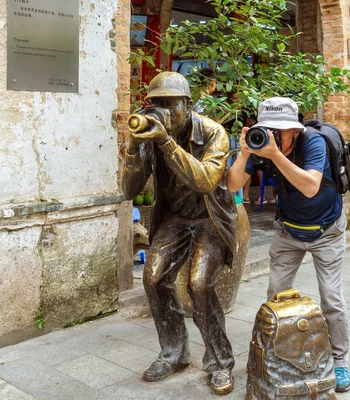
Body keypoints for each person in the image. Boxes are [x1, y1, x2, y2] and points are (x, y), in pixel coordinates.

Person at [121, 72, 238, 395]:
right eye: (155, 104)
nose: (162, 112)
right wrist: (133, 149)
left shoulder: (213, 133)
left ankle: (220, 361)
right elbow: (128, 191)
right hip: (175, 217)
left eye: (169, 104)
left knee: (200, 284)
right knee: (153, 278)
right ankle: (174, 353)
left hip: (209, 218)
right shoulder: (151, 135)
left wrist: (165, 142)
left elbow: (205, 181)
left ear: (187, 105)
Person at [225, 97, 350, 393]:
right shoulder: (261, 147)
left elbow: (310, 186)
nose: (271, 135)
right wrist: (245, 154)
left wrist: (273, 155)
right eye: (266, 129)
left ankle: (340, 359)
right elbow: (232, 186)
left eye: (278, 131)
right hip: (288, 231)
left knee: (331, 298)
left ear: (294, 131)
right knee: (275, 296)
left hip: (327, 229)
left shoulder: (313, 143)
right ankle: (275, 354)